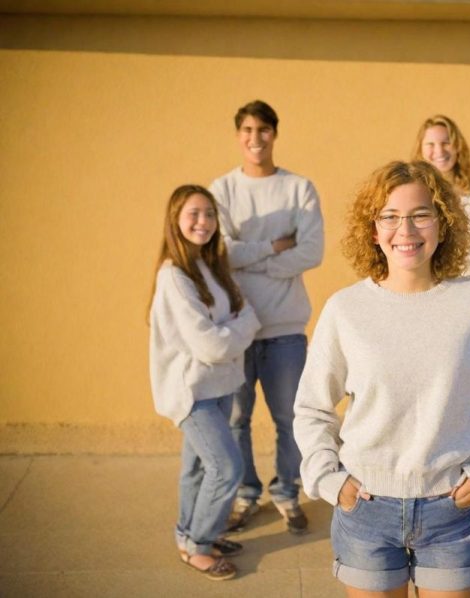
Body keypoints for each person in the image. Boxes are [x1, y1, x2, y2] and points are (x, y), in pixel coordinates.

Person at [294, 160, 470, 597]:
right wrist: (329, 480)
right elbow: (313, 406)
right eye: (389, 216)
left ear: (442, 225)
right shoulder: (345, 310)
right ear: (373, 230)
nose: (404, 230)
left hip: (451, 512)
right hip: (365, 511)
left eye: (420, 214)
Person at [210, 100, 324, 534]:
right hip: (234, 330)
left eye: (263, 130)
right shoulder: (221, 190)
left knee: (290, 419)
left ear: (275, 134)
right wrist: (275, 248)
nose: (255, 138)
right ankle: (246, 493)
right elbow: (220, 251)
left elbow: (311, 251)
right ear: (238, 135)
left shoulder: (299, 189)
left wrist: (248, 259)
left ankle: (287, 491)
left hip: (285, 330)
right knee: (236, 419)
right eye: (247, 130)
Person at [148, 184, 260, 581]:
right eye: (193, 213)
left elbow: (250, 315)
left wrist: (231, 329)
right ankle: (199, 546)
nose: (203, 222)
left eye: (209, 214)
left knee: (196, 468)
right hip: (192, 391)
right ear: (176, 220)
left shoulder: (212, 268)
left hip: (221, 387)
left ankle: (189, 535)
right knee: (226, 467)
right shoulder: (175, 277)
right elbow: (210, 345)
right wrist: (233, 331)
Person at [413, 114, 470, 280]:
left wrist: (450, 280)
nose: (439, 150)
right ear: (420, 150)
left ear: (458, 147)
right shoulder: (411, 192)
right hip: (420, 286)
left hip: (466, 286)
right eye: (431, 144)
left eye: (446, 142)